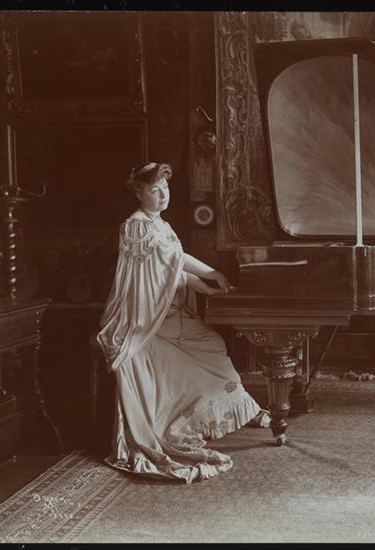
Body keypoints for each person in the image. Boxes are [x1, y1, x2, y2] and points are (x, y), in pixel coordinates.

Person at [97, 162, 269, 483]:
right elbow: (170, 268)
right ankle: (186, 422)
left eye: (165, 188)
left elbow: (172, 268)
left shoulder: (160, 224)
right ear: (139, 193)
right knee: (206, 346)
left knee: (212, 344)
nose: (163, 195)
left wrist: (208, 284)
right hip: (144, 318)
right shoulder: (136, 226)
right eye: (154, 190)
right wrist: (211, 275)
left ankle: (237, 408)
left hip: (166, 311)